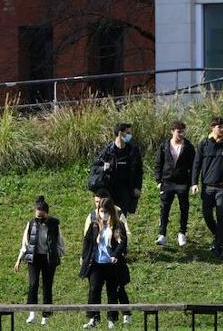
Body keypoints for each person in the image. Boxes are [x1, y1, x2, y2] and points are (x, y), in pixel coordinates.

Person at [192, 116, 223, 258]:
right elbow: (196, 165)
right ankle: (218, 234)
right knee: (207, 215)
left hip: (222, 188)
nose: (222, 129)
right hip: (207, 187)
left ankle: (218, 245)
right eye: (219, 126)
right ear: (212, 128)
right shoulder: (204, 144)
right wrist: (194, 183)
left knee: (220, 214)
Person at [14, 196, 65, 327]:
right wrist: (19, 259)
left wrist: (58, 255)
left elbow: (60, 242)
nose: (39, 219)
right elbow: (25, 243)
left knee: (47, 286)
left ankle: (46, 316)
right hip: (34, 258)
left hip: (48, 258)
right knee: (33, 284)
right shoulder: (31, 224)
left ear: (47, 213)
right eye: (37, 216)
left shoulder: (54, 225)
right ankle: (31, 313)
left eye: (42, 216)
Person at [79, 197, 128, 330]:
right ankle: (93, 318)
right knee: (94, 290)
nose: (103, 214)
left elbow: (123, 242)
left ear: (111, 211)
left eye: (106, 212)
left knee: (112, 292)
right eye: (101, 211)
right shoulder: (94, 225)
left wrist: (115, 255)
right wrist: (84, 257)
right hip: (96, 263)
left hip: (111, 264)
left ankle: (112, 319)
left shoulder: (118, 225)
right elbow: (87, 241)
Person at [153, 120, 194, 247]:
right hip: (167, 182)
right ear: (172, 131)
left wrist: (192, 182)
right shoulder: (164, 145)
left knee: (184, 208)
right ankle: (162, 234)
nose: (181, 134)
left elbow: (194, 166)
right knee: (164, 208)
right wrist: (158, 180)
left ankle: (182, 233)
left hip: (182, 182)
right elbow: (158, 163)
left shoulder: (188, 146)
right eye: (178, 131)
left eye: (183, 132)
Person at [91, 123, 144, 216]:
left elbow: (139, 171)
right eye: (128, 133)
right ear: (120, 133)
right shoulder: (107, 151)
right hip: (110, 190)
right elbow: (94, 168)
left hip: (125, 191)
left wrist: (137, 187)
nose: (130, 136)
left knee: (121, 217)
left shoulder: (133, 151)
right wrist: (103, 168)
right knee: (108, 217)